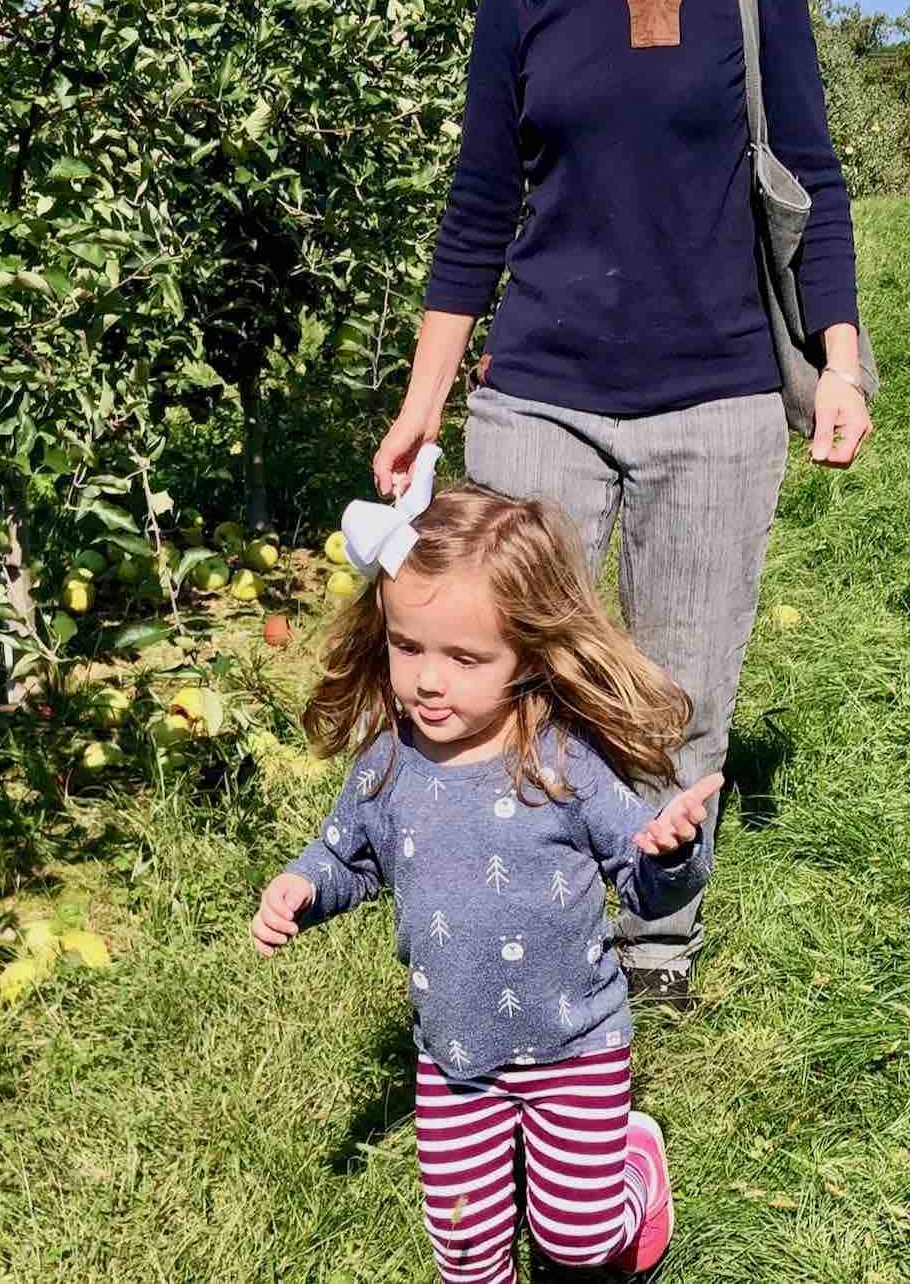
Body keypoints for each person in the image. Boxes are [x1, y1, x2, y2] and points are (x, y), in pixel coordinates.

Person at [372, 0, 871, 1006]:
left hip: (714, 396)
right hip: (542, 395)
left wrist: (838, 359)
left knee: (677, 691)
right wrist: (425, 404)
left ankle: (652, 948)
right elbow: (478, 211)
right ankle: (520, 922)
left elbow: (811, 183)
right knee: (518, 674)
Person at [251, 451, 721, 1281]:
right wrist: (303, 887)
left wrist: (672, 851)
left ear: (531, 654)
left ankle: (636, 1174)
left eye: (465, 659)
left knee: (577, 1242)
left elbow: (640, 878)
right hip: (454, 1054)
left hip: (574, 1041)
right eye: (408, 647)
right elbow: (347, 854)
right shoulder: (388, 763)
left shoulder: (562, 763)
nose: (428, 682)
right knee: (465, 1253)